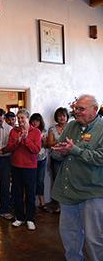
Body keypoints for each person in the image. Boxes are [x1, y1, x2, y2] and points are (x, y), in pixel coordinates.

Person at [51, 94, 103, 261]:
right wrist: (58, 152)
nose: (76, 112)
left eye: (81, 109)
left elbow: (100, 158)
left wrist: (75, 150)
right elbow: (59, 152)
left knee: (93, 239)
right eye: (75, 108)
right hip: (67, 192)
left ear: (95, 110)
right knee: (69, 236)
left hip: (92, 193)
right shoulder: (71, 125)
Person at [5, 109, 41, 230]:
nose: (20, 120)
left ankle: (30, 218)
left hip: (30, 167)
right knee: (17, 193)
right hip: (16, 166)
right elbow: (9, 148)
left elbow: (36, 150)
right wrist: (18, 141)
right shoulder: (13, 131)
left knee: (30, 194)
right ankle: (19, 217)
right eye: (18, 118)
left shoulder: (36, 132)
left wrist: (25, 140)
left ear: (27, 118)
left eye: (22, 118)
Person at [46, 107, 69, 213]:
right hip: (56, 158)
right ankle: (57, 205)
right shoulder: (52, 129)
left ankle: (67, 204)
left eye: (64, 115)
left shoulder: (71, 127)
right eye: (60, 116)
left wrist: (58, 141)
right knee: (56, 181)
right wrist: (63, 141)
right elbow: (49, 143)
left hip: (69, 158)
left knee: (68, 181)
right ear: (56, 117)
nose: (62, 118)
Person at [29, 113, 48, 210]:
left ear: (40, 122)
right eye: (33, 120)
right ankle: (32, 202)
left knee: (40, 181)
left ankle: (42, 201)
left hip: (42, 158)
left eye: (37, 121)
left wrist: (44, 140)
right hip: (31, 159)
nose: (34, 122)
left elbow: (47, 145)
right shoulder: (29, 131)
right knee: (31, 181)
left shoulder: (44, 131)